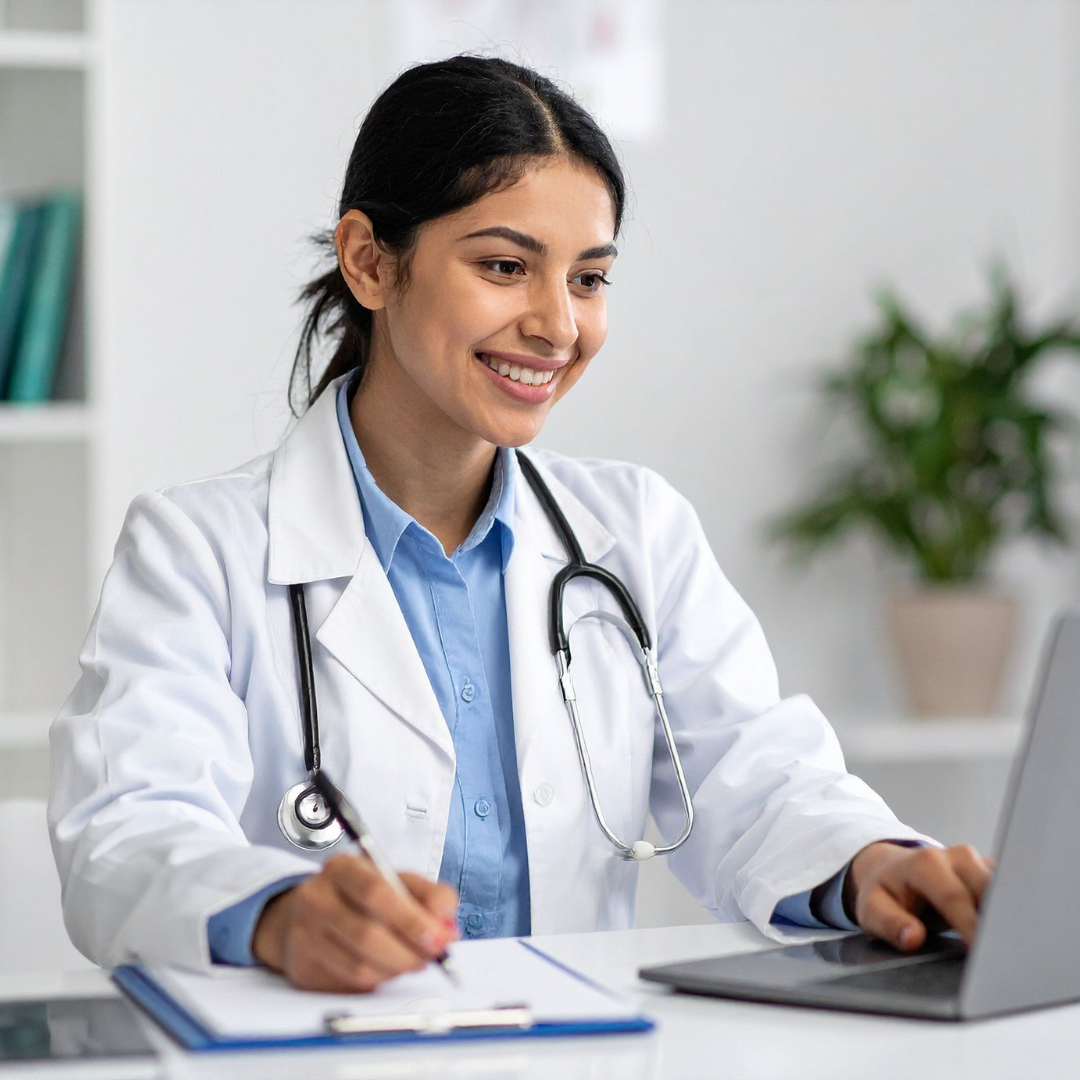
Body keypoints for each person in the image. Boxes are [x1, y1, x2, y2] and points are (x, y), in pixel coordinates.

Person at [49, 56, 992, 992]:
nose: (558, 325)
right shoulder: (196, 552)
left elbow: (759, 783)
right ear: (371, 261)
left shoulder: (636, 532)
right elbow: (127, 837)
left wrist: (873, 862)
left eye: (588, 279)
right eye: (505, 267)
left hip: (577, 1049)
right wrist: (279, 913)